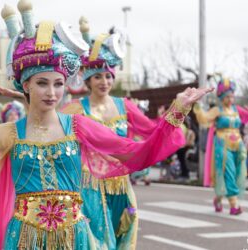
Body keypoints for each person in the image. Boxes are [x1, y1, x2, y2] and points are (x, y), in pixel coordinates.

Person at [0, 1, 212, 248]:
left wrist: (177, 112)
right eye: (42, 83)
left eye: (59, 84)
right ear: (25, 86)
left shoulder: (79, 126)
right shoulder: (8, 134)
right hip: (26, 238)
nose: (52, 92)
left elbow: (136, 153)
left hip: (76, 238)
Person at [61, 17, 159, 249]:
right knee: (97, 239)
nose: (104, 81)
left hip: (121, 184)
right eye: (97, 76)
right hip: (90, 185)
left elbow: (151, 130)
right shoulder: (76, 108)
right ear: (87, 79)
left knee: (124, 233)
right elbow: (55, 130)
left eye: (108, 76)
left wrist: (177, 116)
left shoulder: (124, 105)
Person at [194, 78, 248, 215]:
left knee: (236, 174)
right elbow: (204, 119)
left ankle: (218, 198)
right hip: (222, 145)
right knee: (228, 173)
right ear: (222, 97)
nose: (231, 99)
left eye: (232, 96)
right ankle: (233, 204)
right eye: (227, 96)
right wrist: (198, 107)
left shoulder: (237, 109)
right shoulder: (217, 110)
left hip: (238, 145)